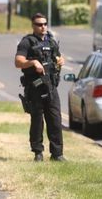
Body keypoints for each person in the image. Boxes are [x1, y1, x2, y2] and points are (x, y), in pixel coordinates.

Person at [14, 13, 65, 162]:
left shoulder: (51, 42)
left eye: (44, 24)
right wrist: (33, 62)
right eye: (39, 24)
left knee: (55, 120)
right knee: (37, 121)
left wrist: (61, 60)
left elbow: (59, 57)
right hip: (35, 88)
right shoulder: (27, 42)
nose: (42, 27)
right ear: (33, 25)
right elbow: (18, 62)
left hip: (51, 87)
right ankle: (38, 152)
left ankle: (57, 154)